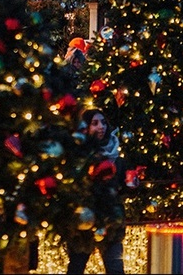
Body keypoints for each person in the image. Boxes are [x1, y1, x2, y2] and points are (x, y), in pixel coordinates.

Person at [66, 109, 126, 275]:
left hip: (111, 221)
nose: (101, 127)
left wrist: (131, 182)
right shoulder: (79, 154)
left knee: (115, 268)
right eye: (95, 123)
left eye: (103, 122)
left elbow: (122, 187)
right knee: (77, 266)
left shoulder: (116, 156)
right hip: (84, 220)